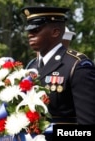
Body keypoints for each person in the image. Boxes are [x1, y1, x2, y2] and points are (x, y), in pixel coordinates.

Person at [21, 6, 95, 140]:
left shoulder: (77, 66)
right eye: (29, 30)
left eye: (36, 29)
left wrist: (54, 132)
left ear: (55, 32)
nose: (30, 34)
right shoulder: (32, 66)